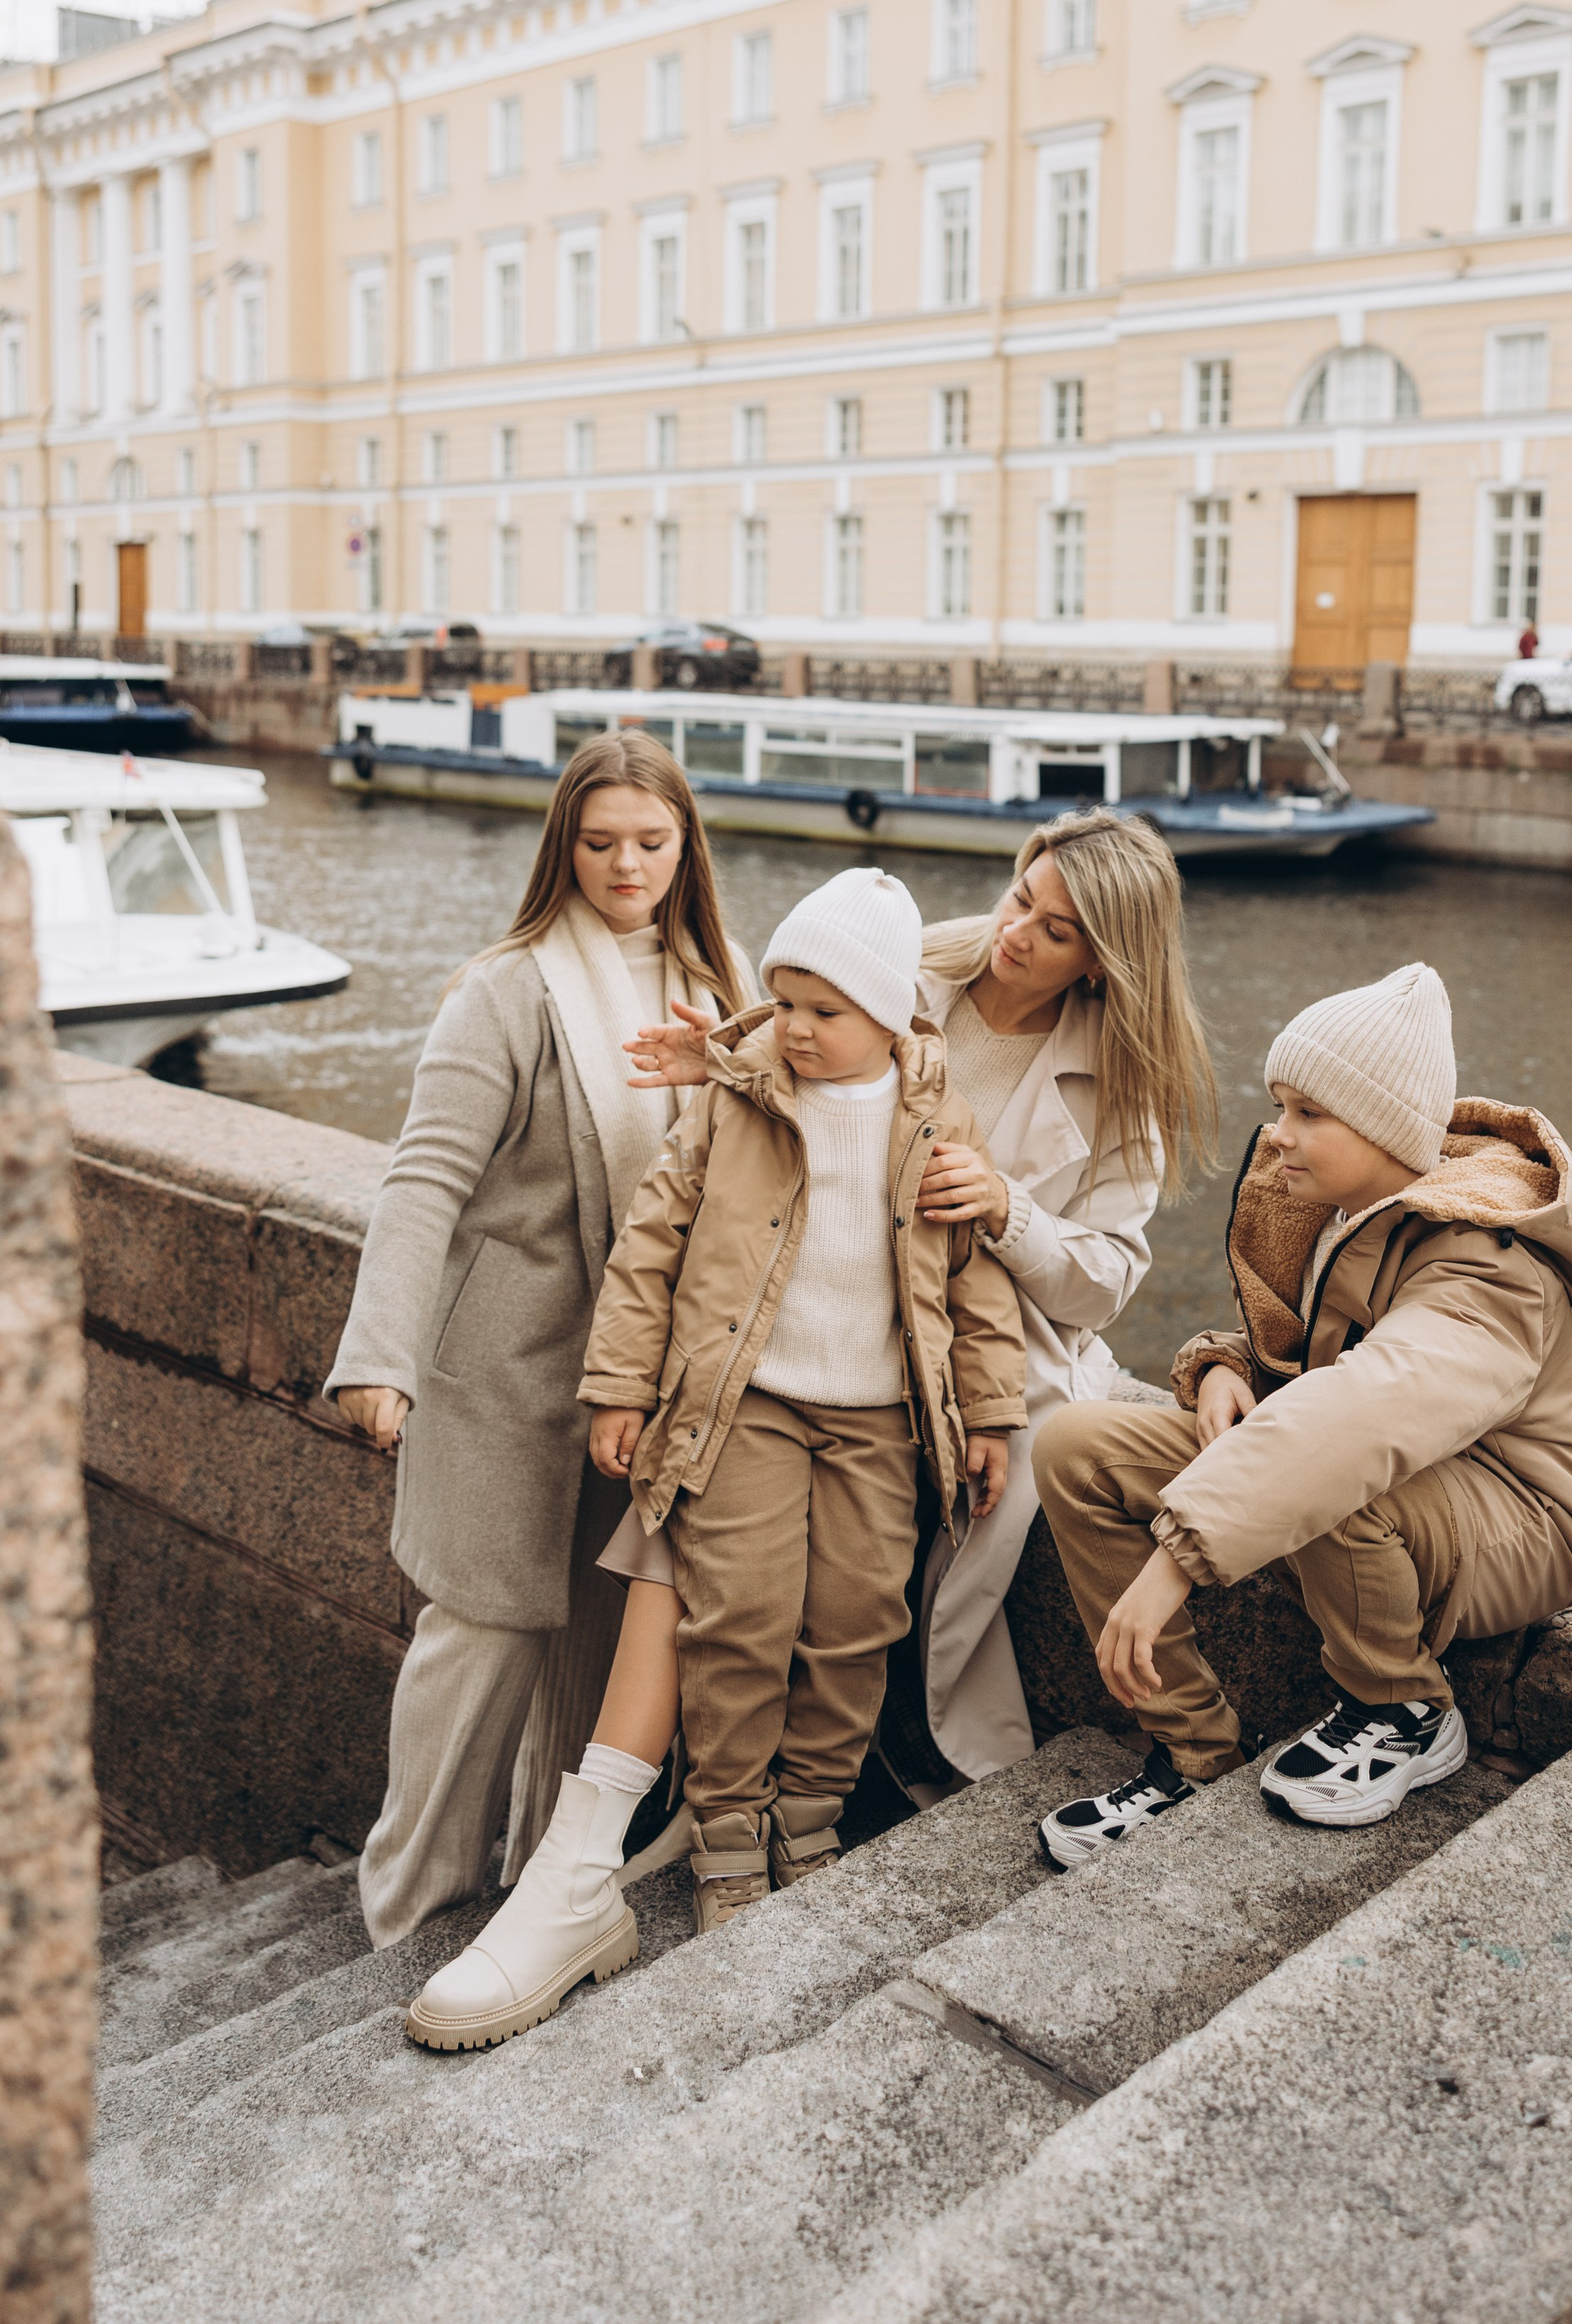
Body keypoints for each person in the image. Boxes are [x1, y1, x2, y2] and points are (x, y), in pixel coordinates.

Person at [406, 867, 1027, 2040]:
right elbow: (652, 1247)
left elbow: (974, 1287)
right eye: (782, 1001)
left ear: (891, 1015)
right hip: (747, 1408)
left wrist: (988, 1415)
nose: (792, 1028)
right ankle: (729, 1835)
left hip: (880, 1422)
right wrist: (620, 1387)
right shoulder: (736, 1103)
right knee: (736, 1620)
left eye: (822, 1011)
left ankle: (811, 1819)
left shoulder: (940, 1126)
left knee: (855, 1625)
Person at [623, 809, 1217, 1784]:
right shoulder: (919, 962)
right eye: (1021, 895)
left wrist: (1006, 1211)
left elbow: (1106, 1284)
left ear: (1101, 964)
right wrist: (724, 1063)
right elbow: (799, 1033)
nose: (1015, 931)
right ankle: (713, 1777)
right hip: (833, 1291)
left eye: (1055, 931)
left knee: (929, 1541)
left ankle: (888, 1758)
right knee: (738, 1525)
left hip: (991, 1331)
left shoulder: (1127, 1084)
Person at [1032, 962, 1572, 1865]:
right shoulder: (1347, 1210)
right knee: (1079, 1445)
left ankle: (1404, 1711)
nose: (1277, 1136)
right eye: (1280, 1107)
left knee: (1338, 1475)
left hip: (1524, 1524)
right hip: (1405, 1478)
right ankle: (1195, 1753)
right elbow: (1304, 1353)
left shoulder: (1487, 1259)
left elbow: (1365, 1408)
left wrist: (1178, 1555)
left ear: (1382, 1127)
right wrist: (1223, 1366)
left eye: (1309, 1113)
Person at [324, 731, 756, 1956]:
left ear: (688, 847)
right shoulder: (505, 990)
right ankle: (403, 1903)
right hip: (507, 1384)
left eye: (653, 842)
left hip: (643, 1393)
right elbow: (424, 1182)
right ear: (563, 843)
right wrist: (382, 1356)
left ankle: (533, 1894)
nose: (628, 865)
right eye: (602, 840)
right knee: (480, 1650)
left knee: (594, 1655)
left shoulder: (718, 988)